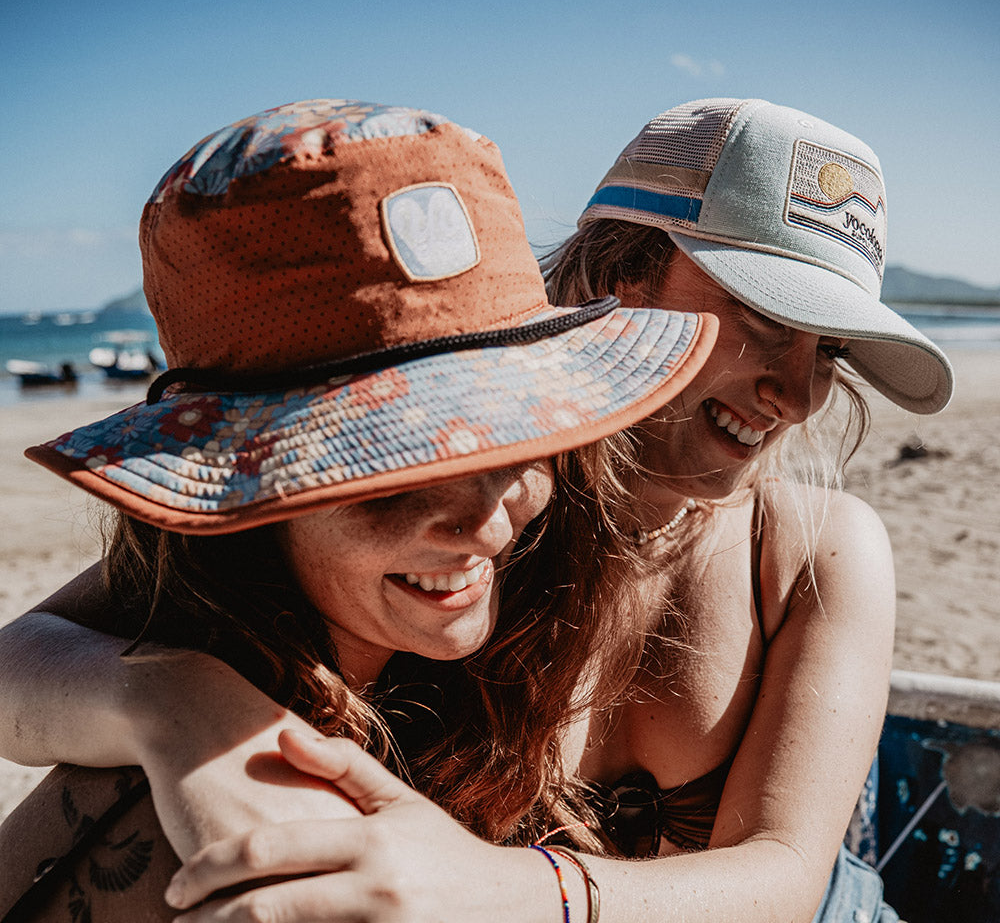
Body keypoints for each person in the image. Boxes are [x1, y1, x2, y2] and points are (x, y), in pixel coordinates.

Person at [0, 98, 954, 923]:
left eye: (829, 351)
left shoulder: (807, 549)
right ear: (627, 276)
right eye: (769, 324)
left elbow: (789, 880)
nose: (796, 394)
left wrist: (503, 888)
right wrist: (172, 700)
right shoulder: (479, 482)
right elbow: (36, 653)